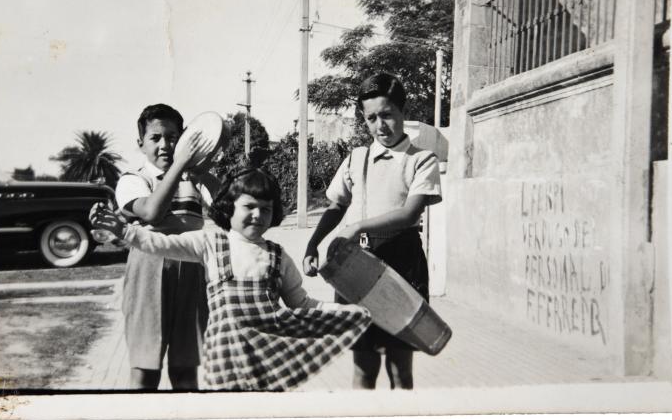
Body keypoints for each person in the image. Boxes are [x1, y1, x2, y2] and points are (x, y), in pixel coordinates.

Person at [91, 168, 372, 391]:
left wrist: (345, 313)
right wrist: (125, 231)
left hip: (269, 364)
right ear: (229, 208)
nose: (258, 215)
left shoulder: (278, 256)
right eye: (249, 206)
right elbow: (161, 243)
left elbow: (303, 303)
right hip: (224, 366)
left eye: (266, 208)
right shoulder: (210, 244)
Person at [302, 73, 442, 390]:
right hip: (357, 267)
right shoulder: (356, 158)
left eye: (387, 114)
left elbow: (409, 214)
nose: (380, 125)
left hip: (402, 267)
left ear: (403, 111)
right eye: (371, 118)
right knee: (363, 368)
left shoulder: (422, 160)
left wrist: (357, 226)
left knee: (399, 369)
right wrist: (312, 244)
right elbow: (336, 206)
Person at [115, 103, 219, 390]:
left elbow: (229, 212)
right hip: (147, 273)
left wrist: (205, 174)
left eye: (173, 137)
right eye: (156, 138)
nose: (165, 145)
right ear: (141, 144)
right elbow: (151, 213)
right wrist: (180, 166)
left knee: (186, 372)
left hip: (192, 271)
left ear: (184, 139)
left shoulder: (194, 179)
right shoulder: (133, 179)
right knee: (145, 373)